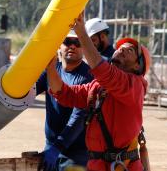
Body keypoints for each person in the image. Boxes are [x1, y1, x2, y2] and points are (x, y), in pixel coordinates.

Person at [46, 13, 150, 171]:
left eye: (129, 51)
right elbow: (65, 94)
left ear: (137, 66)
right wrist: (51, 69)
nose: (121, 50)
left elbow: (103, 70)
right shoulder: (99, 87)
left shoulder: (134, 85)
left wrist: (81, 32)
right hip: (98, 164)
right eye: (120, 48)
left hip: (123, 166)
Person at [36, 30, 93, 171]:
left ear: (84, 48)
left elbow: (78, 118)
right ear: (59, 46)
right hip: (51, 148)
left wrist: (57, 147)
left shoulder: (87, 77)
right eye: (67, 42)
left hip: (77, 154)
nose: (72, 46)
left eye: (77, 43)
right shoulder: (51, 70)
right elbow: (27, 91)